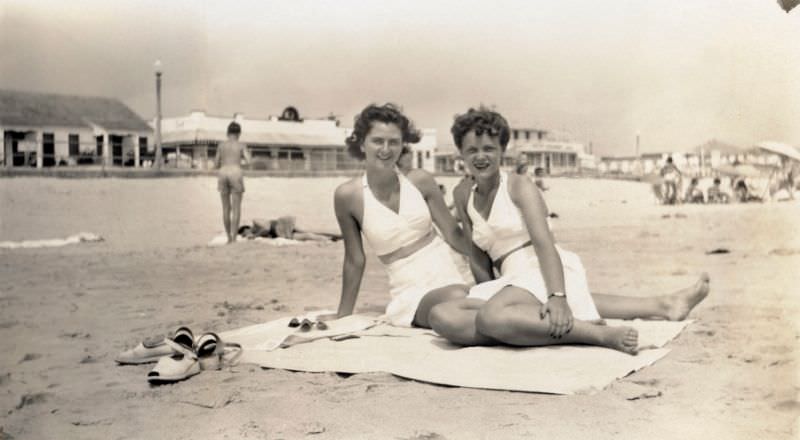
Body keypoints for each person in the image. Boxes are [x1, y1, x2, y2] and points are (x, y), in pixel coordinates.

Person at [428, 107, 710, 354]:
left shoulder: (518, 186)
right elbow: (477, 257)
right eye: (472, 150)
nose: (481, 157)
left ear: (502, 151)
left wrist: (557, 298)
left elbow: (545, 245)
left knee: (491, 317)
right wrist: (486, 291)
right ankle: (526, 327)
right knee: (442, 315)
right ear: (461, 154)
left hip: (543, 269)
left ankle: (596, 335)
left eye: (489, 149)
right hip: (512, 280)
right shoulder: (464, 194)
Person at [324, 103, 484, 328]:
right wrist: (343, 315)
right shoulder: (347, 196)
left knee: (466, 302)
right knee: (459, 301)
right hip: (409, 287)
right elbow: (354, 259)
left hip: (451, 268)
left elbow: (453, 234)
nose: (386, 149)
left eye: (394, 142)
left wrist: (492, 266)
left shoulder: (420, 181)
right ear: (361, 143)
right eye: (378, 141)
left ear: (403, 145)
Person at [215, 122, 251, 244]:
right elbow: (249, 161)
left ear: (227, 133)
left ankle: (228, 238)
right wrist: (239, 163)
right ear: (239, 134)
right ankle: (234, 238)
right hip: (236, 173)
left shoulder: (221, 145)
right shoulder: (241, 145)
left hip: (223, 172)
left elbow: (215, 163)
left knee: (225, 208)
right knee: (236, 208)